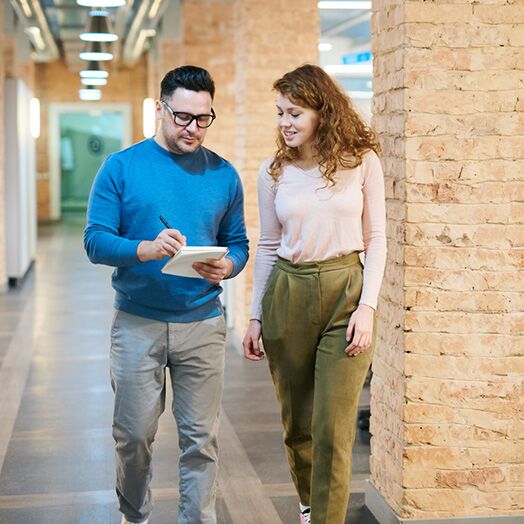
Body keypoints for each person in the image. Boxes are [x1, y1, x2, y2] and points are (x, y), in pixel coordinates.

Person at [84, 65, 249, 524]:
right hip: (138, 324)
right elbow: (95, 240)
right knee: (133, 436)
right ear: (160, 109)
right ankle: (134, 515)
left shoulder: (223, 175)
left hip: (202, 321)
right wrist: (146, 248)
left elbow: (239, 243)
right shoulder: (122, 166)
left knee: (201, 440)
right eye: (182, 117)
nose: (192, 128)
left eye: (202, 118)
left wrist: (229, 265)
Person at [242, 64, 386, 524]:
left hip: (347, 290)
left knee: (333, 427)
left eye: (295, 112)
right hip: (288, 291)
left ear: (322, 113)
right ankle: (310, 505)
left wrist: (368, 307)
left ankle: (327, 518)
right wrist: (255, 316)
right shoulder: (273, 171)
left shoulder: (362, 161)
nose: (284, 122)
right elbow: (267, 244)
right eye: (281, 112)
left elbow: (378, 237)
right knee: (298, 425)